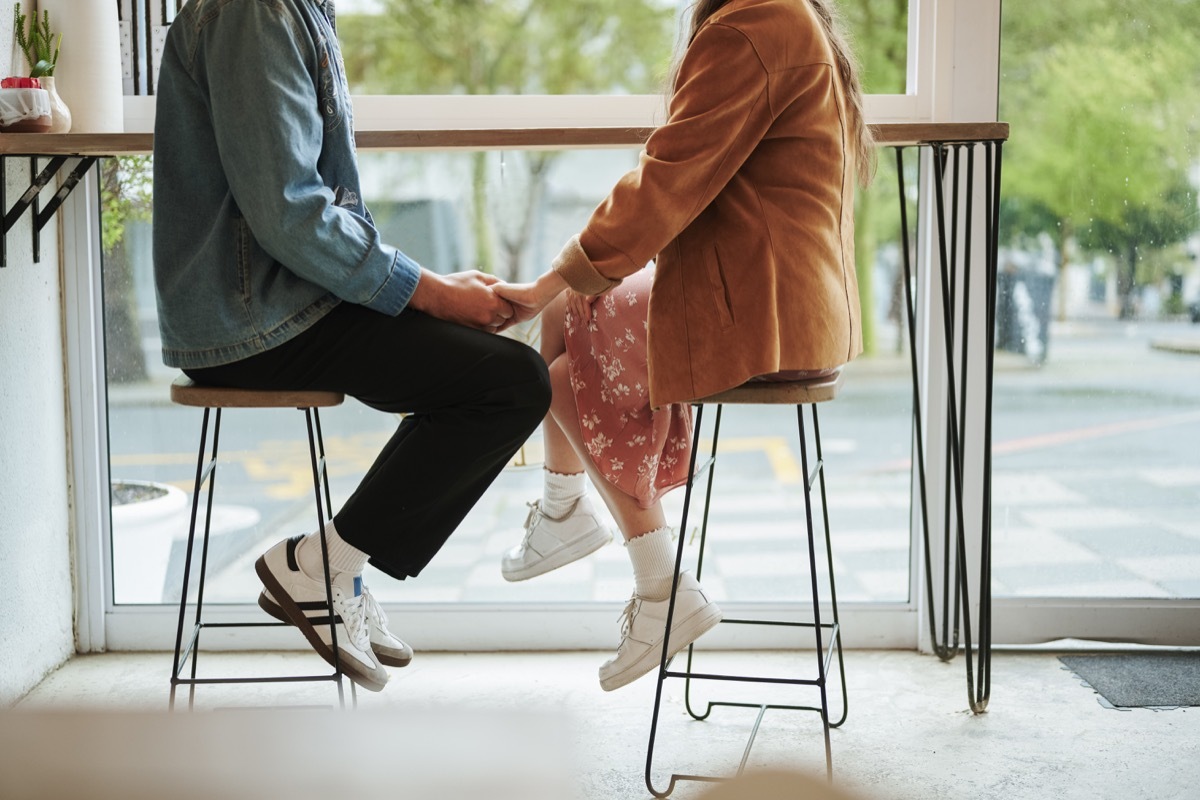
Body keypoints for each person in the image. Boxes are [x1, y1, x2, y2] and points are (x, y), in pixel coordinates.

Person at [152, 0, 551, 693]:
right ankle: (323, 565)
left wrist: (428, 288)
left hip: (283, 302)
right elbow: (291, 211)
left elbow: (308, 206)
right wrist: (427, 292)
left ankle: (333, 564)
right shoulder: (257, 12)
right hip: (251, 320)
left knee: (498, 377)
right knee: (508, 383)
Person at [496, 0, 873, 691]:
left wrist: (547, 275)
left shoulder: (753, 26)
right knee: (563, 305)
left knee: (556, 379)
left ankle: (662, 590)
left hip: (766, 313)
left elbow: (665, 184)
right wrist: (558, 280)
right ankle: (563, 511)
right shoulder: (782, 15)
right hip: (784, 302)